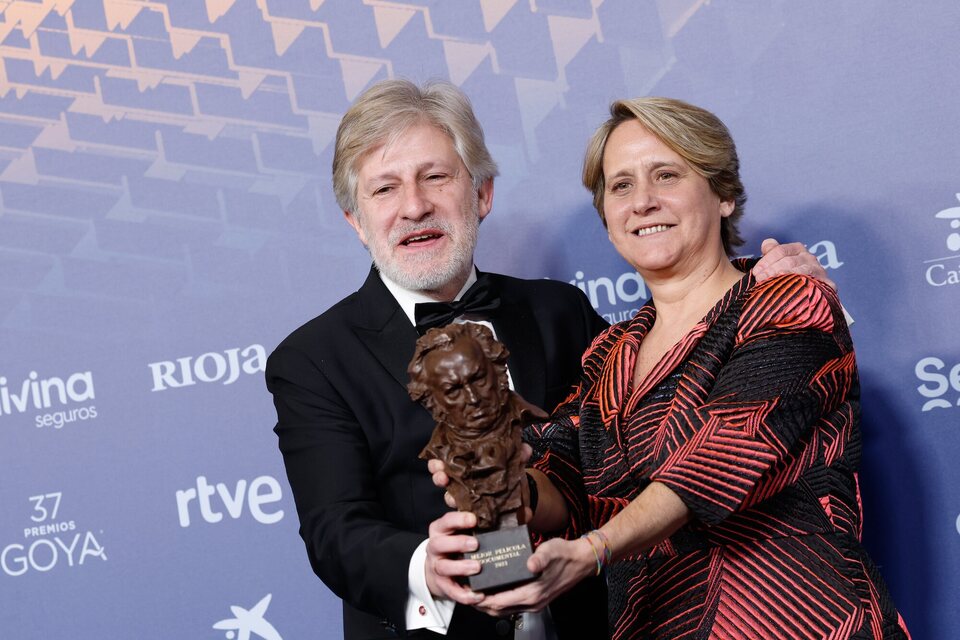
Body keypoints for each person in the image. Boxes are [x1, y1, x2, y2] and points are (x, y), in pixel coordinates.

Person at [266, 78, 829, 640]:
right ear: (355, 220)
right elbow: (336, 528)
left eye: (435, 177)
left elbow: (710, 431)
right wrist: (432, 563)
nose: (414, 206)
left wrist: (758, 287)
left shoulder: (561, 310)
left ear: (482, 193)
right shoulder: (313, 359)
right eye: (384, 189)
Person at [427, 97, 910, 639]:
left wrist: (591, 553)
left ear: (724, 194)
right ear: (607, 219)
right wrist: (503, 489)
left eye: (667, 175)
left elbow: (722, 456)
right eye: (622, 186)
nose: (644, 202)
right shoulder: (609, 354)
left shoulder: (789, 302)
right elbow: (564, 478)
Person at [410, 323, 545, 532]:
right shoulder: (439, 447)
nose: (473, 398)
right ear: (433, 401)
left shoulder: (528, 414)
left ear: (498, 372)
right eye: (453, 390)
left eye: (479, 378)